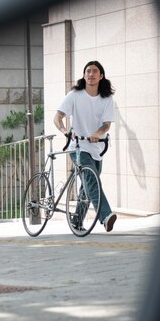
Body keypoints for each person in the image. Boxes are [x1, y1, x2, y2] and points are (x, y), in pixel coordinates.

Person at [53, 60, 117, 232]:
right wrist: (65, 130)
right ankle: (105, 216)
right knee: (92, 181)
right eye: (88, 71)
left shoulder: (106, 99)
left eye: (95, 71)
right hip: (78, 147)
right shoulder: (74, 95)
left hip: (97, 148)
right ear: (84, 75)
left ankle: (77, 220)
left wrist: (97, 133)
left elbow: (106, 125)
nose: (91, 74)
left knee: (88, 185)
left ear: (101, 76)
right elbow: (57, 118)